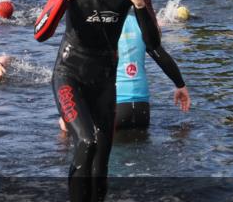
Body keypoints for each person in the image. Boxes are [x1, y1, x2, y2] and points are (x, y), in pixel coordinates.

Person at [34, 0, 161, 202]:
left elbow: (152, 42)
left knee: (102, 158)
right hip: (69, 74)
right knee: (87, 142)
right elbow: (39, 33)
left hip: (105, 79)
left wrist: (139, 4)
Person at [59, 16, 190, 132]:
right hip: (142, 111)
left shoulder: (100, 24)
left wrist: (71, 111)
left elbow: (86, 68)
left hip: (114, 108)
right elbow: (161, 56)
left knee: (73, 135)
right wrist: (180, 85)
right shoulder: (140, 23)